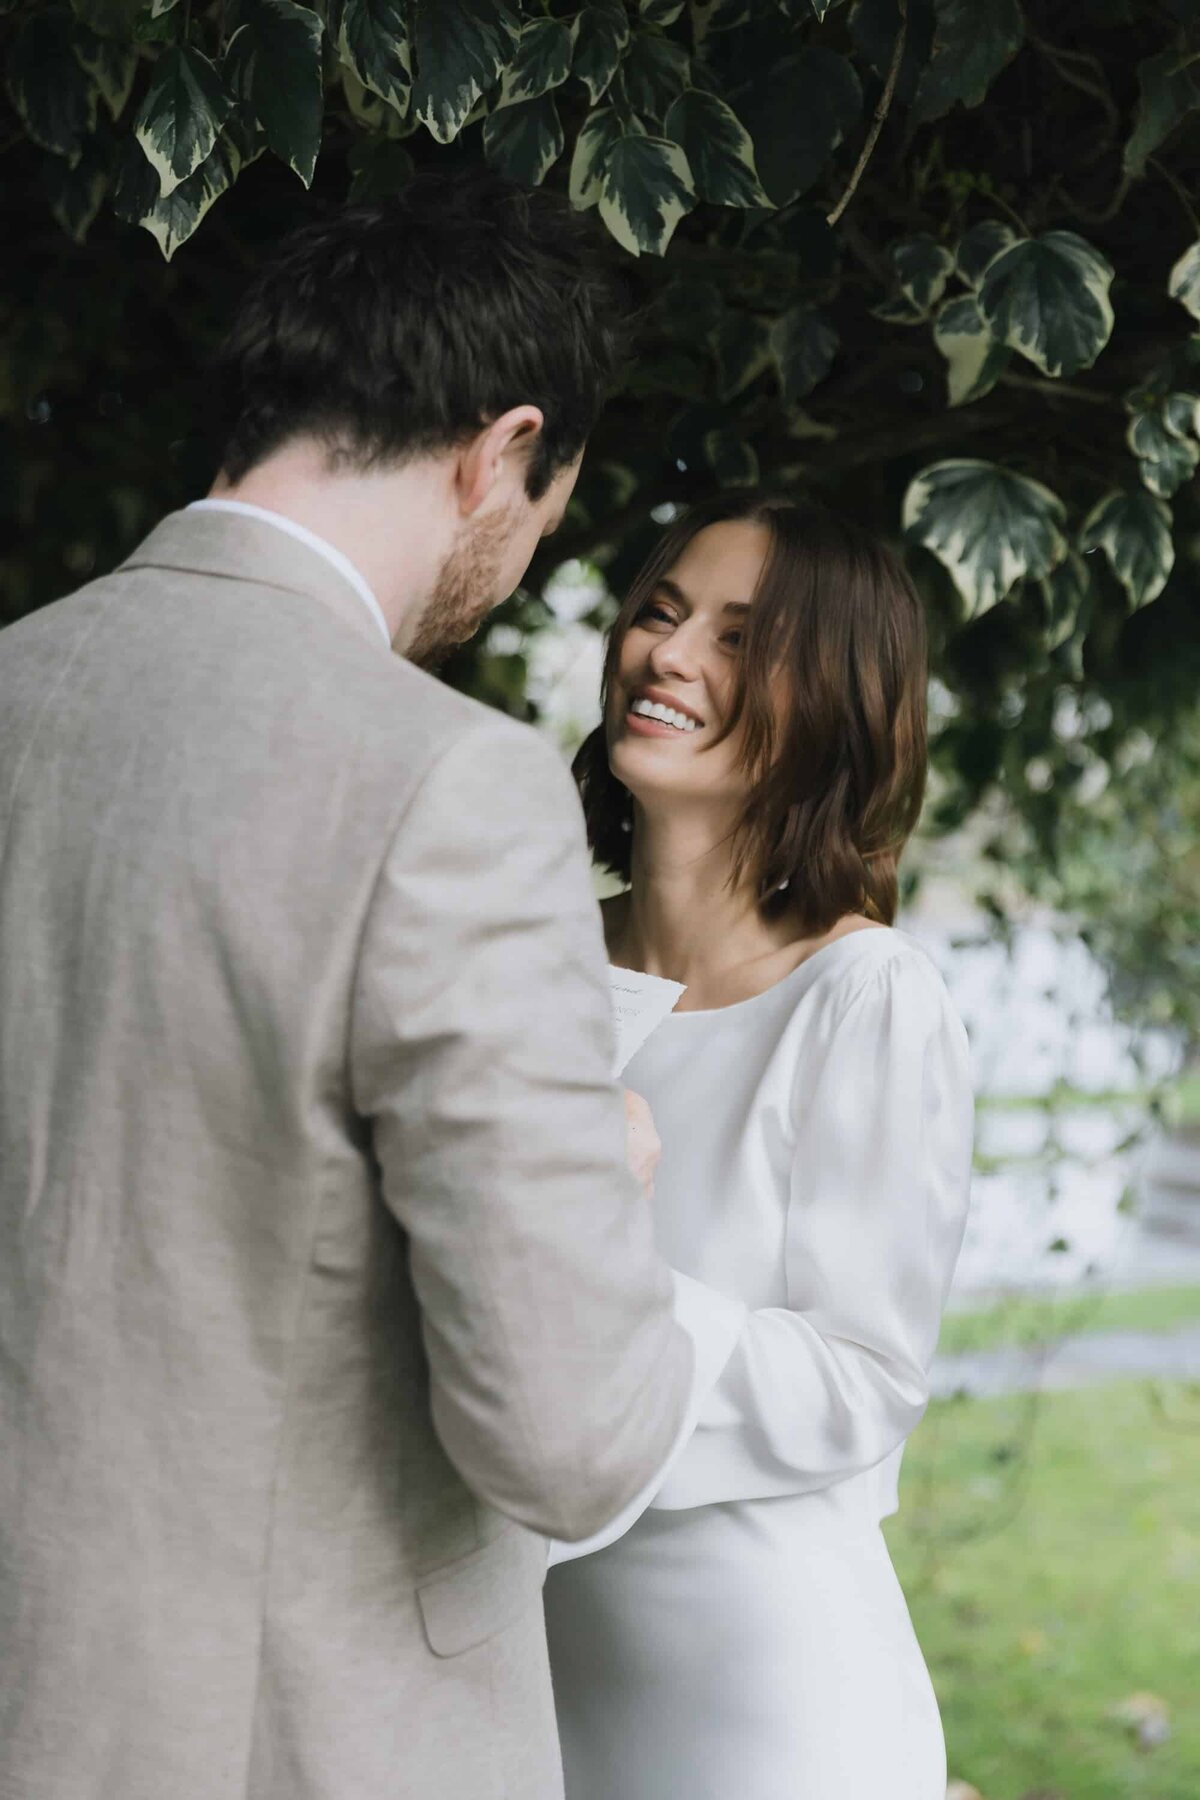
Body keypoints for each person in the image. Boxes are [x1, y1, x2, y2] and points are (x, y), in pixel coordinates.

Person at [0, 174, 739, 1800]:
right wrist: (605, 1189)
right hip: (286, 1736)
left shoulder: (16, 685)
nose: (525, 556)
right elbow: (567, 1438)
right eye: (545, 516)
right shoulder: (446, 787)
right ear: (500, 451)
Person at [543, 491, 976, 1800]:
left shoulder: (866, 996)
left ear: (833, 699)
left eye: (738, 637)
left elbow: (860, 1378)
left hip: (768, 1713)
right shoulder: (531, 958)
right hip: (531, 1685)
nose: (668, 655)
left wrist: (578, 1273)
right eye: (662, 613)